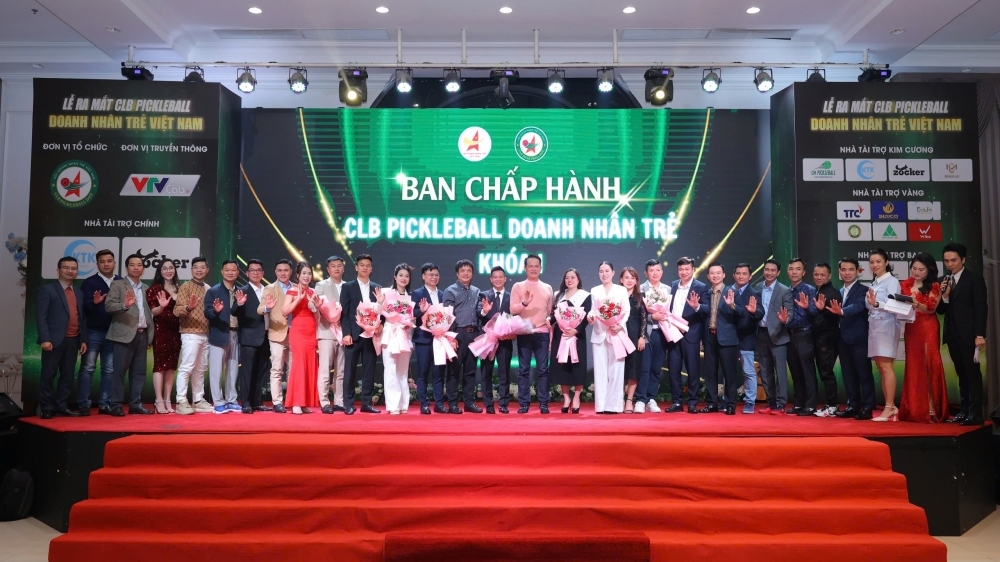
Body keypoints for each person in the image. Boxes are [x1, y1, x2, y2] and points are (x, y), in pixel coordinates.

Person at [937, 242, 988, 426]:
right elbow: (940, 310)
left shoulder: (974, 279)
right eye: (946, 261)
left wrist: (979, 334)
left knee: (972, 374)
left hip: (969, 335)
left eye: (954, 260)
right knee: (961, 373)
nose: (950, 264)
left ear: (963, 260)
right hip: (952, 335)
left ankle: (976, 414)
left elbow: (981, 308)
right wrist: (944, 295)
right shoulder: (944, 280)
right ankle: (964, 410)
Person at [898, 253, 949, 423]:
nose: (917, 272)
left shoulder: (934, 286)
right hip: (911, 328)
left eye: (921, 269)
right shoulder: (904, 284)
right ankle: (914, 408)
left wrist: (917, 304)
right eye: (914, 268)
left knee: (929, 364)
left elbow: (931, 308)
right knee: (914, 366)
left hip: (928, 328)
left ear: (929, 270)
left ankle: (932, 408)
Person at [36, 256, 87, 419]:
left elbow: (81, 317)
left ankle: (62, 406)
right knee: (48, 376)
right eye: (66, 268)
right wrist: (45, 338)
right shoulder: (47, 290)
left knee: (67, 376)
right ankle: (46, 408)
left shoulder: (78, 292)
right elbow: (41, 317)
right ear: (58, 270)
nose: (70, 271)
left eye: (74, 268)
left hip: (73, 340)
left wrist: (83, 339)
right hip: (53, 341)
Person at [825, 258, 876, 420]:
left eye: (851, 270)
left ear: (857, 271)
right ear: (839, 272)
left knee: (864, 373)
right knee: (848, 374)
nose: (847, 273)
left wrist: (841, 311)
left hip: (859, 338)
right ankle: (852, 405)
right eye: (844, 270)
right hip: (842, 338)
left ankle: (867, 407)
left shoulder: (864, 290)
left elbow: (858, 306)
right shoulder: (839, 291)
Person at [105, 254, 155, 416]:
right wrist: (124, 305)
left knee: (139, 372)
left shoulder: (146, 288)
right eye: (132, 265)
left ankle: (135, 404)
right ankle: (116, 405)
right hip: (123, 335)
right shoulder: (118, 284)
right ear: (126, 267)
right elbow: (109, 306)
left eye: (139, 265)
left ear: (143, 268)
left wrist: (150, 336)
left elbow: (149, 313)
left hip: (142, 335)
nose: (136, 268)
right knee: (119, 371)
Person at [76, 249, 120, 416]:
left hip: (113, 333)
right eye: (102, 262)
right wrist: (94, 303)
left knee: (109, 369)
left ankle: (105, 404)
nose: (106, 264)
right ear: (97, 264)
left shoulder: (121, 281)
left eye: (109, 261)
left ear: (114, 263)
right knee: (88, 368)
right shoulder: (90, 282)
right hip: (93, 332)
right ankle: (83, 404)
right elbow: (82, 308)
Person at [510, 254, 554, 414]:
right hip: (524, 333)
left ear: (541, 268)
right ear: (525, 268)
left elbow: (550, 311)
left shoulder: (548, 288)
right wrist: (524, 303)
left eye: (536, 266)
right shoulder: (518, 286)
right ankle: (524, 404)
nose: (534, 269)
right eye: (530, 266)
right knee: (523, 370)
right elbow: (512, 309)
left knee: (543, 370)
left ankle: (544, 403)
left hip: (542, 333)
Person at [665, 257, 710, 413]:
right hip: (673, 333)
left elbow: (708, 308)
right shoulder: (673, 285)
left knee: (692, 369)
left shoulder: (701, 287)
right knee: (673, 369)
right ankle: (677, 402)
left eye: (687, 269)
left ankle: (692, 402)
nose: (684, 272)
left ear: (693, 270)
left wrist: (697, 306)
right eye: (681, 269)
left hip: (691, 334)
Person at [340, 254, 383, 414]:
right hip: (354, 335)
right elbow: (344, 312)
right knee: (350, 371)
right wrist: (346, 333)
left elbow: (382, 311)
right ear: (356, 267)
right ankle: (348, 404)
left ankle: (366, 403)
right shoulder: (348, 287)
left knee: (369, 371)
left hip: (371, 336)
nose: (365, 268)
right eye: (362, 265)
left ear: (371, 268)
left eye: (368, 265)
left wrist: (380, 325)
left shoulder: (377, 288)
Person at [547, 268, 592, 414]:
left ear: (578, 280)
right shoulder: (558, 295)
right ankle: (566, 398)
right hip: (561, 335)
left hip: (577, 335)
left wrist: (576, 330)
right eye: (567, 277)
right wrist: (549, 319)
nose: (570, 280)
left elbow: (586, 317)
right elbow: (554, 314)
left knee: (577, 366)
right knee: (562, 366)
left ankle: (577, 397)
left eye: (573, 277)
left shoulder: (585, 296)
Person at [172, 257, 212, 415]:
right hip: (190, 333)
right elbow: (177, 311)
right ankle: (181, 401)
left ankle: (198, 400)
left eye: (202, 267)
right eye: (196, 267)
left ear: (207, 270)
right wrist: (189, 307)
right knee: (186, 367)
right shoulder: (185, 287)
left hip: (205, 333)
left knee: (201, 369)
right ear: (191, 270)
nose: (199, 270)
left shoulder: (208, 288)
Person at [589, 261, 630, 414]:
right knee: (600, 371)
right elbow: (593, 310)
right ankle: (601, 406)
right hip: (599, 334)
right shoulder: (595, 290)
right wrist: (591, 317)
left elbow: (626, 310)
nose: (604, 274)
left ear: (613, 273)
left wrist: (620, 325)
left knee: (616, 370)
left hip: (616, 333)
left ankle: (614, 406)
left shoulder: (621, 290)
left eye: (607, 271)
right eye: (601, 271)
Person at [866, 249, 902, 422]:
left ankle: (889, 407)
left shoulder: (892, 282)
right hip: (874, 327)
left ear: (886, 262)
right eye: (872, 262)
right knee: (881, 367)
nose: (875, 265)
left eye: (878, 261)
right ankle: (891, 406)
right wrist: (873, 304)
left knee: (887, 367)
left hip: (887, 326)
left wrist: (876, 303)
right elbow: (869, 306)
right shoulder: (874, 283)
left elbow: (894, 305)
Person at [754, 259, 794, 415]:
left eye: (772, 270)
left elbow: (790, 312)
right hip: (761, 333)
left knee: (780, 372)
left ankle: (781, 404)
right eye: (767, 269)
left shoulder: (784, 290)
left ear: (778, 273)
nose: (769, 273)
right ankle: (771, 403)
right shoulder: (758, 287)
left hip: (778, 335)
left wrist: (785, 320)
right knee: (765, 371)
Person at [443, 259, 483, 414]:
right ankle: (453, 404)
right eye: (462, 271)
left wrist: (484, 311)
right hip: (457, 334)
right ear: (457, 273)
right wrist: (451, 338)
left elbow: (479, 312)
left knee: (470, 371)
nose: (466, 273)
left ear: (472, 273)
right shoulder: (450, 290)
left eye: (469, 271)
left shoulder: (477, 291)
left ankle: (469, 402)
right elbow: (447, 315)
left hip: (474, 334)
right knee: (454, 371)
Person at [231, 259, 269, 414]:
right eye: (252, 270)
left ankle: (257, 401)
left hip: (266, 336)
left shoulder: (268, 290)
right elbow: (234, 311)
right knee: (247, 372)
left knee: (261, 371)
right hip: (249, 337)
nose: (255, 273)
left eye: (258, 270)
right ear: (247, 273)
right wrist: (240, 303)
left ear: (263, 273)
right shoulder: (242, 290)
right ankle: (246, 403)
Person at [204, 260, 242, 414]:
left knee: (233, 370)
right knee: (216, 371)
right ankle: (218, 402)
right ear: (222, 271)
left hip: (236, 334)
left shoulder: (240, 291)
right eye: (227, 270)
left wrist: (240, 304)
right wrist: (216, 311)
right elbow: (207, 313)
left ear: (238, 272)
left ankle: (231, 400)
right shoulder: (213, 291)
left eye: (233, 270)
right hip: (219, 333)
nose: (230, 273)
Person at [282, 261, 321, 415]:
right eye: (304, 273)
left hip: (312, 331)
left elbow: (317, 317)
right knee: (298, 365)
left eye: (309, 273)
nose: (307, 276)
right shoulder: (292, 291)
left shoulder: (313, 292)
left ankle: (305, 402)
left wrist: (317, 307)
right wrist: (298, 299)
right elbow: (285, 311)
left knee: (309, 366)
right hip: (298, 330)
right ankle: (296, 402)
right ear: (297, 275)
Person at [725, 263, 763, 414]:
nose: (741, 276)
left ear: (750, 276)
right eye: (738, 273)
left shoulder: (754, 293)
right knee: (728, 371)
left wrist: (754, 312)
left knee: (748, 371)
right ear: (733, 275)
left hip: (746, 338)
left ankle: (750, 401)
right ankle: (728, 401)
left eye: (744, 273)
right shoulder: (727, 291)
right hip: (728, 338)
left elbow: (760, 313)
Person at [477, 266, 514, 414]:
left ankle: (503, 403)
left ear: (505, 279)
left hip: (505, 340)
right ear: (491, 279)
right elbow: (478, 313)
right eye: (495, 277)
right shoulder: (483, 295)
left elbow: (515, 316)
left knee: (504, 372)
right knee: (486, 372)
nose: (498, 279)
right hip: (488, 340)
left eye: (500, 277)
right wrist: (484, 311)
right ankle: (489, 404)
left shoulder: (512, 296)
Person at [259, 259, 294, 413]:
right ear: (275, 272)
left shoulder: (297, 288)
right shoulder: (269, 288)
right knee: (277, 369)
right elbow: (259, 309)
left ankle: (293, 400)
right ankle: (277, 402)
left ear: (290, 272)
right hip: (276, 333)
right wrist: (267, 308)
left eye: (285, 270)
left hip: (294, 334)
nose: (282, 273)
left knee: (293, 370)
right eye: (279, 270)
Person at [636, 259, 671, 414]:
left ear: (662, 272)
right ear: (646, 273)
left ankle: (651, 398)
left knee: (656, 368)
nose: (655, 273)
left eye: (657, 270)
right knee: (644, 367)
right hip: (645, 334)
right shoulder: (640, 289)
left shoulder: (668, 289)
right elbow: (637, 314)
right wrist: (652, 317)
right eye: (651, 271)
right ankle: (640, 399)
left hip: (662, 333)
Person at [147, 260, 181, 414]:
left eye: (171, 268)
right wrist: (162, 306)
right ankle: (158, 400)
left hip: (176, 331)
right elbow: (153, 312)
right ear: (159, 271)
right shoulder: (154, 289)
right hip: (160, 330)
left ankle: (168, 400)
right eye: (165, 268)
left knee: (171, 366)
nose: (168, 271)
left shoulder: (180, 288)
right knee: (160, 366)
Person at [786, 258, 818, 416]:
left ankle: (811, 405)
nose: (794, 272)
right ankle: (798, 403)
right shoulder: (786, 291)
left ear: (804, 272)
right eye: (791, 269)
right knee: (795, 371)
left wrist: (806, 307)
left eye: (798, 269)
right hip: (789, 334)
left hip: (804, 333)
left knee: (807, 371)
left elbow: (816, 312)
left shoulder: (809, 289)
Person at [314, 256, 347, 414]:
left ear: (343, 268)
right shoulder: (321, 285)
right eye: (333, 266)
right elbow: (312, 304)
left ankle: (339, 401)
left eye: (339, 265)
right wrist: (317, 305)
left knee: (341, 370)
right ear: (328, 269)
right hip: (326, 331)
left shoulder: (348, 286)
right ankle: (325, 401)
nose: (336, 268)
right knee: (325, 369)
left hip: (343, 333)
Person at [412, 263, 446, 414]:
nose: (434, 277)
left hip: (440, 339)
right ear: (423, 276)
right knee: (423, 373)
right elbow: (411, 313)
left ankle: (439, 404)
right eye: (431, 274)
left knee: (439, 373)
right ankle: (424, 404)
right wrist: (421, 311)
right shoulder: (416, 293)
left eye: (436, 275)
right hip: (423, 339)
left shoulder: (443, 294)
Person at [382, 263, 414, 415]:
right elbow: (377, 312)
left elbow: (412, 318)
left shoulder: (411, 296)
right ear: (395, 277)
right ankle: (393, 405)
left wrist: (409, 323)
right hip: (390, 333)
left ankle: (403, 403)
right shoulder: (386, 293)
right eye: (400, 275)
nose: (403, 278)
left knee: (402, 370)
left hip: (405, 335)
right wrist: (380, 302)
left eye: (406, 276)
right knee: (390, 368)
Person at [811, 263, 842, 417]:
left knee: (826, 372)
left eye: (822, 275)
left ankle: (832, 405)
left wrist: (821, 309)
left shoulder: (831, 293)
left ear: (829, 276)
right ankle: (830, 404)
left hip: (827, 339)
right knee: (824, 371)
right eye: (816, 274)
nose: (819, 277)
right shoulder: (819, 291)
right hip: (821, 338)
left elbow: (833, 316)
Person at [700, 263, 729, 413]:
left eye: (718, 273)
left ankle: (729, 403)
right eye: (712, 273)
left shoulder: (731, 292)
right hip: (709, 336)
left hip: (726, 337)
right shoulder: (705, 293)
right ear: (708, 276)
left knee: (728, 372)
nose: (715, 275)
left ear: (724, 275)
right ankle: (712, 403)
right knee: (710, 372)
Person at [619, 267, 645, 414]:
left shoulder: (640, 296)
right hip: (618, 335)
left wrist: (642, 337)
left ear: (636, 281)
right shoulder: (616, 296)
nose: (629, 280)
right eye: (627, 277)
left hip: (635, 336)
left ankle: (629, 400)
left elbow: (644, 318)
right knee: (620, 368)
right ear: (621, 280)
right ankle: (620, 399)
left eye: (632, 278)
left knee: (633, 368)